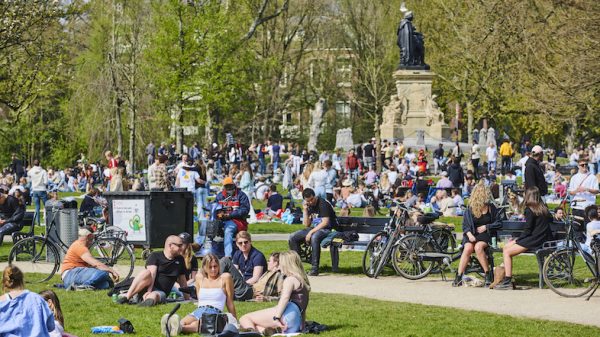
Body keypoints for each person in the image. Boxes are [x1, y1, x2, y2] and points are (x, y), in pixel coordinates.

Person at [165, 253, 237, 335]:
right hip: (199, 310)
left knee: (196, 324)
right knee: (183, 322)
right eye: (210, 267)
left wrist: (234, 322)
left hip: (214, 312)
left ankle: (176, 328)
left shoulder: (225, 278)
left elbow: (229, 302)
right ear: (204, 268)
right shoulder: (199, 278)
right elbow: (200, 299)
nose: (213, 269)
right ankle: (176, 326)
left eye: (215, 266)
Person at [240, 251, 310, 335]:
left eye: (281, 264)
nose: (279, 267)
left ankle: (251, 335)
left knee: (245, 318)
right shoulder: (302, 281)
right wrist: (301, 326)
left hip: (286, 315)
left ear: (287, 264)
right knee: (257, 325)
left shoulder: (290, 279)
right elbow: (304, 307)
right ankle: (268, 331)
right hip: (296, 321)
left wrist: (276, 317)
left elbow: (284, 299)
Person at [496, 187, 552, 290]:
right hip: (543, 239)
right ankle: (507, 278)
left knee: (507, 251)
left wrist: (516, 240)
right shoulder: (544, 208)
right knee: (506, 248)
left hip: (534, 240)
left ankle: (508, 280)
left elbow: (528, 230)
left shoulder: (529, 209)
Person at [117, 235, 189, 306]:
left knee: (154, 295)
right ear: (170, 245)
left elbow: (182, 280)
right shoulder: (155, 255)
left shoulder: (180, 259)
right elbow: (152, 274)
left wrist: (187, 298)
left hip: (160, 292)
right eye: (179, 245)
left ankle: (144, 305)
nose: (181, 248)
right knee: (146, 272)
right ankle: (127, 297)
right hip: (146, 287)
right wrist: (149, 290)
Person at [453, 183, 498, 287]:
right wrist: (469, 235)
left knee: (478, 247)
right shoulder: (470, 208)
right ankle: (459, 275)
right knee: (468, 247)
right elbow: (465, 225)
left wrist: (486, 227)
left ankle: (487, 274)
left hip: (485, 234)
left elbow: (498, 222)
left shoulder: (491, 208)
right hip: (471, 234)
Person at [289, 188, 338, 276]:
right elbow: (306, 224)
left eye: (312, 199)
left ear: (314, 196)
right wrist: (305, 210)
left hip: (328, 229)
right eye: (308, 201)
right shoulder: (309, 205)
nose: (311, 202)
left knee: (315, 237)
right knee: (293, 237)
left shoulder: (323, 204)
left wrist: (311, 232)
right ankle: (297, 266)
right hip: (315, 228)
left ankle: (315, 268)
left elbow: (325, 222)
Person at [0, 266, 56, 337]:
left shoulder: (2, 303)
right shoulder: (37, 299)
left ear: (4, 282)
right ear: (22, 280)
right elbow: (50, 326)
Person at [216, 177, 250, 258]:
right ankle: (199, 246)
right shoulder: (220, 196)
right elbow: (214, 207)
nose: (228, 188)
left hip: (236, 220)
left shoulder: (241, 195)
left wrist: (230, 215)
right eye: (226, 186)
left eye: (230, 186)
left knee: (228, 230)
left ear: (234, 185)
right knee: (207, 224)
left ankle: (228, 256)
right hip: (221, 219)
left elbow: (245, 209)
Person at [27, 159, 48, 225]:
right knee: (47, 206)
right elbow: (46, 182)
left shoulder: (31, 171)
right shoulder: (43, 171)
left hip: (35, 190)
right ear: (40, 163)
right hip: (42, 189)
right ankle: (48, 220)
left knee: (37, 207)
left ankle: (37, 222)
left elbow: (28, 175)